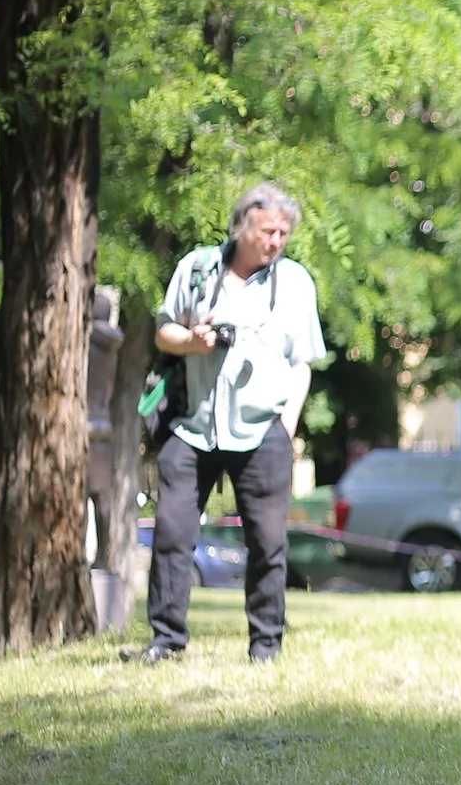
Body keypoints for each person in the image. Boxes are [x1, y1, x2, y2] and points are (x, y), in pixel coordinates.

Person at [127, 184, 328, 664]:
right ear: (240, 226)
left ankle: (265, 646)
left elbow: (301, 363)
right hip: (193, 426)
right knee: (172, 535)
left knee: (268, 543)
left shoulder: (295, 282)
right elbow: (164, 331)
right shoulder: (197, 268)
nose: (276, 241)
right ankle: (166, 641)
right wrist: (193, 342)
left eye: (284, 233)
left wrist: (286, 425)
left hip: (263, 431)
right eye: (267, 231)